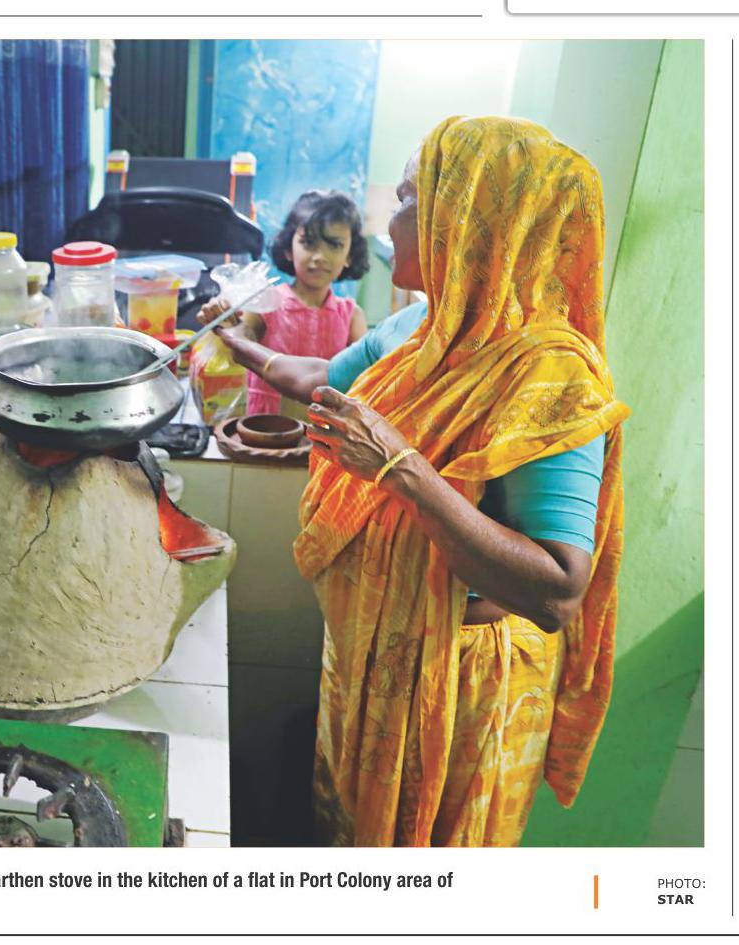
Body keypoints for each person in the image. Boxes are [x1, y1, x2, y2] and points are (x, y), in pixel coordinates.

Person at [204, 116, 629, 846]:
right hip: (374, 651)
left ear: (467, 220)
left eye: (407, 198)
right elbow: (326, 378)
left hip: (459, 687)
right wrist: (238, 344)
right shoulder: (423, 327)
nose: (388, 222)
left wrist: (400, 469)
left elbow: (559, 590)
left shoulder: (550, 374)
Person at [198, 190, 370, 417]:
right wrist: (226, 320)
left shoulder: (352, 316)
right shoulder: (265, 303)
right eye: (309, 243)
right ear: (289, 249)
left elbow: (366, 379)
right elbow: (242, 339)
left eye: (334, 245)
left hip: (325, 431)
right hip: (264, 428)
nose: (320, 256)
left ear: (349, 255)